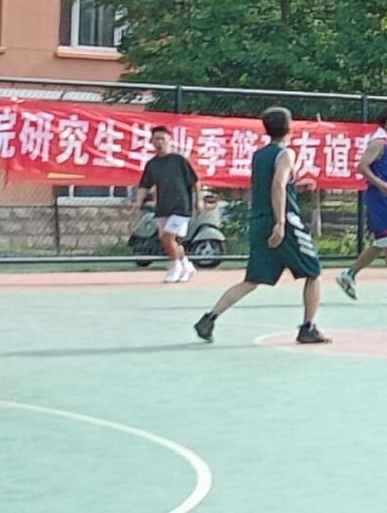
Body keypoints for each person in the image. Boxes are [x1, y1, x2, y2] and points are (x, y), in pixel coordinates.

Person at [195, 107, 328, 344]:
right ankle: (308, 327)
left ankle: (210, 317)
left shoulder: (259, 155)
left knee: (252, 280)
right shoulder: (286, 153)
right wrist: (281, 222)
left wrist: (296, 187)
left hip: (259, 220)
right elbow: (277, 185)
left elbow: (273, 186)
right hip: (283, 222)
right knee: (313, 272)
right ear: (290, 127)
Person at [337, 103, 387, 306]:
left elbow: (385, 169)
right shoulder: (378, 142)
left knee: (382, 242)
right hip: (379, 198)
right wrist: (382, 185)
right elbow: (362, 167)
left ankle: (349, 275)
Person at [132, 124, 200, 284]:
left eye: (162, 138)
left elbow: (195, 181)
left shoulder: (179, 160)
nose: (159, 142)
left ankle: (175, 267)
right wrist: (138, 201)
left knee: (167, 238)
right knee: (173, 241)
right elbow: (145, 185)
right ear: (151, 141)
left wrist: (199, 200)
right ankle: (187, 266)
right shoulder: (152, 164)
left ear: (169, 140)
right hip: (163, 207)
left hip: (181, 207)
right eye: (156, 139)